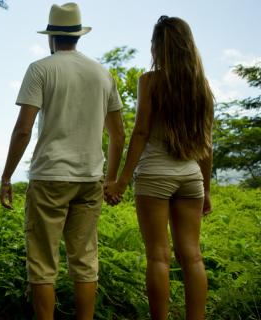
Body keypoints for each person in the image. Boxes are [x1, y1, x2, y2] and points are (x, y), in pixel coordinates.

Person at [0, 3, 125, 319]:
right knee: (84, 259)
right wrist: (111, 178)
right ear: (78, 36)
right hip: (90, 178)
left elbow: (23, 129)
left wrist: (6, 177)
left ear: (51, 37)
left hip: (50, 177)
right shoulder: (102, 73)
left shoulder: (41, 69)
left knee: (42, 263)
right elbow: (119, 134)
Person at [104, 15, 214, 320]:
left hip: (155, 175)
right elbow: (207, 144)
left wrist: (121, 182)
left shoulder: (150, 81)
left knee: (158, 256)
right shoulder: (201, 85)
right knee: (192, 257)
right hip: (191, 177)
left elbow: (140, 132)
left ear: (158, 46)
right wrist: (206, 190)